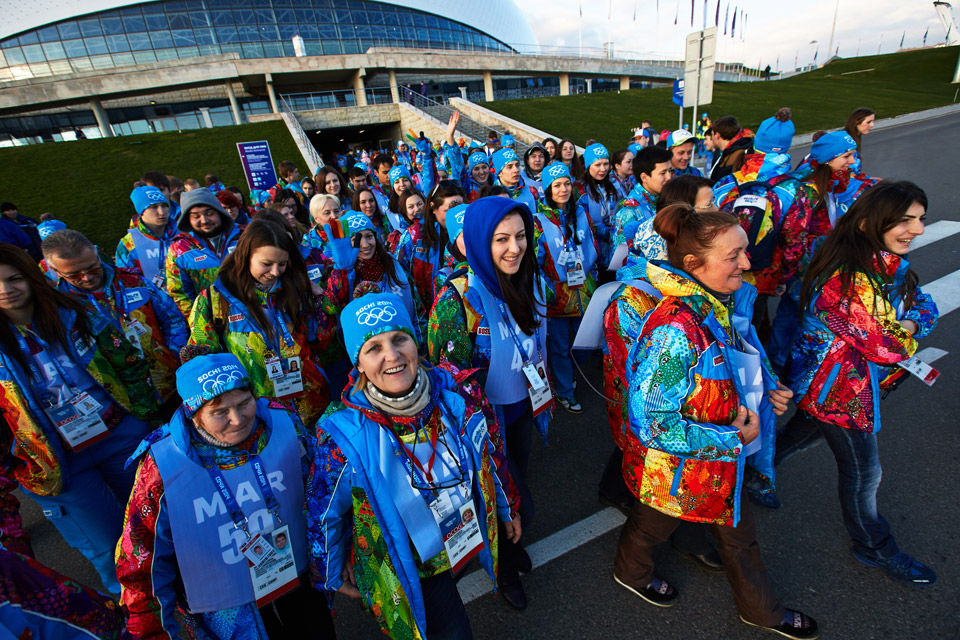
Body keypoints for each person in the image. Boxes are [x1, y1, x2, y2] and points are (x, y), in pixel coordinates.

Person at [613, 206, 818, 640]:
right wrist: (729, 439)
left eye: (745, 251)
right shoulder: (676, 329)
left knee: (735, 536)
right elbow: (650, 423)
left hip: (721, 461)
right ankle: (631, 573)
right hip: (682, 467)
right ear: (693, 265)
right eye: (735, 255)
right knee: (654, 524)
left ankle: (761, 609)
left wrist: (769, 386)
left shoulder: (715, 302)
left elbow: (737, 356)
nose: (747, 263)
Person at [308, 292, 517, 638]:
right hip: (410, 567)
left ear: (415, 342)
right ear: (357, 363)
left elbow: (490, 455)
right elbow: (323, 511)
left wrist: (508, 509)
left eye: (399, 339)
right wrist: (328, 573)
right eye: (373, 348)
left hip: (460, 537)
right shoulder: (343, 434)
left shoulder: (455, 394)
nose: (392, 355)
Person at [777, 181, 938, 587]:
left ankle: (751, 476)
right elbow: (886, 346)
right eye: (905, 220)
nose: (917, 230)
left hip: (835, 384)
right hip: (839, 392)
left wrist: (907, 321)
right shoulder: (846, 279)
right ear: (870, 223)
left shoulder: (879, 263)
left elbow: (922, 302)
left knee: (795, 439)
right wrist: (910, 324)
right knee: (865, 473)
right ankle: (873, 544)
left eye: (920, 219)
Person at [116, 352, 336, 639]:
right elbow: (142, 550)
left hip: (294, 568)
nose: (237, 419)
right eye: (220, 412)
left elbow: (323, 490)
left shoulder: (284, 426)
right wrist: (150, 625)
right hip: (226, 601)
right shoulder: (162, 466)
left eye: (245, 403)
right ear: (193, 413)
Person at [0, 243, 159, 594]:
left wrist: (146, 417)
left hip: (121, 436)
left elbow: (127, 360)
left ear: (31, 277)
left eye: (14, 278)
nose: (5, 290)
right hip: (59, 462)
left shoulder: (76, 310)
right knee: (108, 548)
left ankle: (191, 601)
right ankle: (142, 621)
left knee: (160, 524)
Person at [428, 197, 551, 610]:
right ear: (480, 242)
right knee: (505, 499)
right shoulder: (456, 301)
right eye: (501, 239)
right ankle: (502, 569)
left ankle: (512, 551)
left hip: (521, 406)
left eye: (520, 236)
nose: (514, 247)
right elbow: (450, 388)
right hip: (485, 422)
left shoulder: (528, 279)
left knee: (519, 489)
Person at [188, 219, 332, 427]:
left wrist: (324, 300)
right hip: (257, 415)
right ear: (245, 255)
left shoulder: (294, 287)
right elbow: (206, 362)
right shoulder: (215, 301)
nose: (275, 272)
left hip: (312, 404)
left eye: (282, 264)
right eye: (266, 264)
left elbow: (322, 340)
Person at [45, 229, 188, 410]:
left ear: (97, 255)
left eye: (92, 268)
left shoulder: (134, 281)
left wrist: (175, 353)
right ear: (56, 271)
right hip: (125, 403)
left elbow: (173, 318)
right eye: (74, 275)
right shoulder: (62, 308)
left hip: (171, 384)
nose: (87, 277)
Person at [766, 131, 868, 370]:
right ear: (827, 159)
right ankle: (779, 364)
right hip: (805, 269)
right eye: (847, 156)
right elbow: (796, 239)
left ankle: (781, 360)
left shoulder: (822, 181)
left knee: (795, 315)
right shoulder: (809, 190)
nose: (852, 161)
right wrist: (787, 276)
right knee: (794, 315)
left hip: (812, 266)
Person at [535, 162, 600, 413]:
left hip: (583, 291)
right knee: (560, 348)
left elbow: (593, 248)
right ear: (548, 189)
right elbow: (535, 262)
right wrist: (549, 289)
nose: (563, 189)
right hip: (558, 299)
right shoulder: (538, 221)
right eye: (557, 185)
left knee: (584, 342)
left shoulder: (581, 214)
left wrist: (590, 277)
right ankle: (564, 391)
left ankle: (565, 376)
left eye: (567, 183)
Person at [321, 211, 423, 342]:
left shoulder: (394, 265)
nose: (365, 244)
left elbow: (417, 308)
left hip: (405, 343)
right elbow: (331, 307)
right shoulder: (342, 274)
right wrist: (342, 271)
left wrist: (420, 343)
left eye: (369, 236)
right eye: (356, 239)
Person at [165, 189, 242, 318]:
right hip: (212, 324)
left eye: (210, 213)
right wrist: (200, 322)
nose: (205, 220)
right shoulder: (179, 250)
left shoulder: (244, 236)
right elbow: (179, 293)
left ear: (219, 212)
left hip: (253, 317)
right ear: (187, 219)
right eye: (196, 216)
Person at [394, 182, 465, 320]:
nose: (455, 215)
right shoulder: (413, 237)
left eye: (460, 208)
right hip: (427, 316)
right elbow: (401, 278)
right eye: (448, 210)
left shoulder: (470, 231)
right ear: (433, 208)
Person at [631, 174, 715, 262]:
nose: (716, 209)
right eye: (709, 205)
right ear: (684, 210)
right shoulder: (673, 249)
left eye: (713, 200)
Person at [117, 186, 180, 289]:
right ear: (141, 212)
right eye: (154, 207)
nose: (162, 212)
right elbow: (126, 283)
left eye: (164, 206)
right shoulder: (128, 244)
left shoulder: (182, 234)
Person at [613, 146, 674, 247]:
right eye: (663, 173)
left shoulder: (667, 199)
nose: (669, 177)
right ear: (644, 177)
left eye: (670, 171)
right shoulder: (629, 211)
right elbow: (622, 257)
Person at [575, 144, 620, 273]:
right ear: (589, 165)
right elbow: (578, 221)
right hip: (591, 253)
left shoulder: (614, 185)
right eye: (598, 165)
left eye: (606, 164)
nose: (603, 169)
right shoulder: (579, 189)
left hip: (613, 253)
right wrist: (601, 230)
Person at [492, 148, 539, 216]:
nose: (516, 170)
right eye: (509, 167)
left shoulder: (532, 191)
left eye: (517, 165)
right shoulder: (491, 195)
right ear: (499, 173)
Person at [709, 116, 755, 184]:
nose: (711, 138)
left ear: (717, 135)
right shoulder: (744, 147)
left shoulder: (737, 155)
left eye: (712, 134)